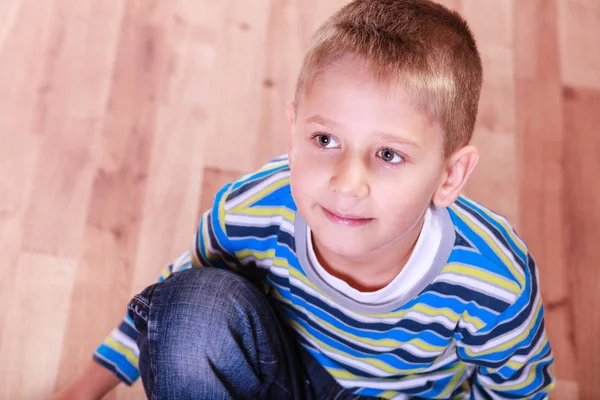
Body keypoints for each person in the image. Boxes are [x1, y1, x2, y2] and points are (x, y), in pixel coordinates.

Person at [52, 0, 555, 398]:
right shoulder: (252, 210)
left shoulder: (494, 281)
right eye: (325, 141)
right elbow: (169, 309)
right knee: (191, 305)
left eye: (388, 154)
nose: (346, 182)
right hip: (276, 373)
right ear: (293, 132)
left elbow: (516, 388)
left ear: (450, 176)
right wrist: (84, 390)